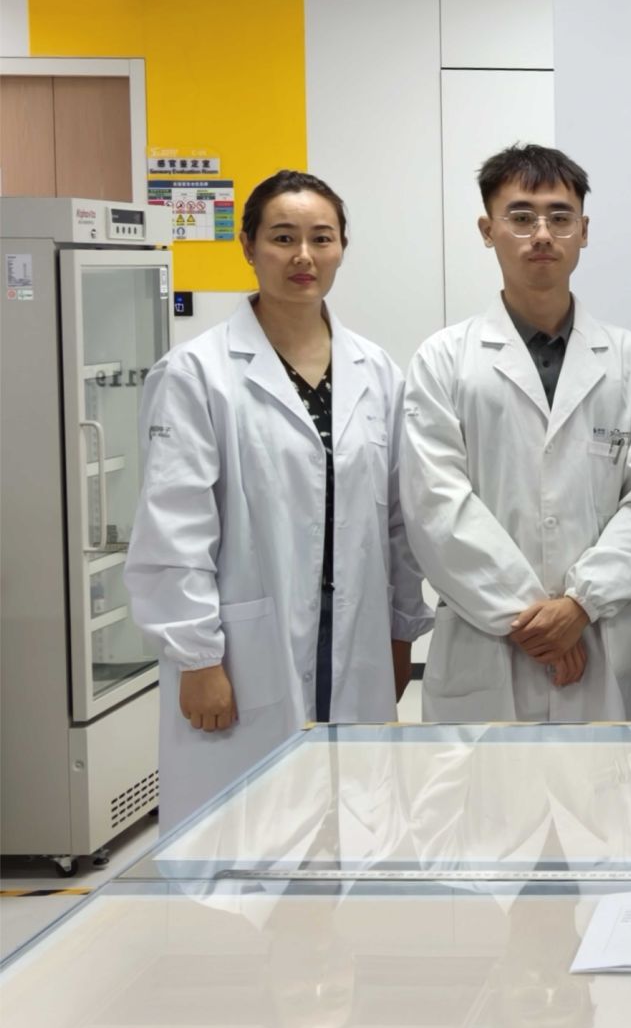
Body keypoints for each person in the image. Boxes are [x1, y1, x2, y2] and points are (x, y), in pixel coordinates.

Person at [128, 170, 431, 831]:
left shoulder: (376, 371)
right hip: (243, 644)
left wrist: (402, 628)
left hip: (353, 634)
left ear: (342, 247)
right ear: (248, 246)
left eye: (321, 238)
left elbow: (397, 518)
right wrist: (197, 656)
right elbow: (174, 527)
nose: (303, 257)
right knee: (245, 837)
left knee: (350, 823)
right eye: (283, 238)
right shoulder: (198, 373)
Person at [401, 143, 631, 723]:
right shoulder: (443, 360)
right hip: (488, 643)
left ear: (584, 231)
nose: (542, 234)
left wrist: (579, 605)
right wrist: (535, 621)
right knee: (489, 784)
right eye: (521, 217)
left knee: (600, 783)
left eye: (559, 217)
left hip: (597, 640)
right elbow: (435, 505)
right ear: (488, 230)